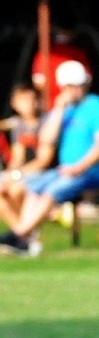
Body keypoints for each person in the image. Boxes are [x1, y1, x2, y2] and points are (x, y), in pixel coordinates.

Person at [0, 60, 99, 258]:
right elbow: (45, 139)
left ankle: (18, 235)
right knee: (33, 188)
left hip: (92, 170)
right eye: (68, 86)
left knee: (52, 190)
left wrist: (79, 167)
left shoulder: (97, 106)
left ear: (85, 84)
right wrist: (59, 109)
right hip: (66, 170)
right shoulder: (65, 110)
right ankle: (24, 239)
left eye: (76, 85)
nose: (72, 91)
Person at [0, 83, 44, 230]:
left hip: (40, 174)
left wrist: (16, 175)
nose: (29, 104)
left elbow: (43, 161)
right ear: (15, 103)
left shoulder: (46, 123)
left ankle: (22, 234)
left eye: (32, 99)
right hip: (22, 173)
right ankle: (23, 232)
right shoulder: (19, 126)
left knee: (15, 191)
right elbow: (17, 158)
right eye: (24, 100)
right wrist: (10, 175)